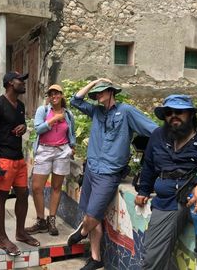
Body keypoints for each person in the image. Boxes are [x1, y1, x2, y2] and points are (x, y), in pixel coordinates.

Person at [68, 78, 157, 270]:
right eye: (96, 93)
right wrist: (95, 82)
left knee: (91, 216)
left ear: (111, 92)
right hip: (91, 168)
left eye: (101, 92)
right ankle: (95, 257)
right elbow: (75, 100)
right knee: (93, 216)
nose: (98, 96)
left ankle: (82, 231)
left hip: (109, 173)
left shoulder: (126, 111)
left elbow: (153, 130)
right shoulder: (96, 111)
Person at [135, 94, 197, 270]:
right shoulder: (158, 135)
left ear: (191, 114)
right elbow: (149, 165)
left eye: (179, 111)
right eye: (168, 112)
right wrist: (143, 190)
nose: (173, 116)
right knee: (151, 261)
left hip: (194, 196)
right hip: (166, 200)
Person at [0, 71, 40, 256]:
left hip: (18, 158)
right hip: (3, 159)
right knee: (0, 196)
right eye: (20, 80)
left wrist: (23, 127)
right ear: (9, 83)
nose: (23, 83)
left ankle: (20, 232)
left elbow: (20, 126)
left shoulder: (21, 105)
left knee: (23, 194)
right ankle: (2, 238)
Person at [26, 84, 76, 236]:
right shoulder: (44, 110)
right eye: (51, 94)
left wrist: (72, 147)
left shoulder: (68, 114)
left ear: (61, 95)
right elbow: (38, 129)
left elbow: (71, 132)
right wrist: (54, 119)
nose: (54, 96)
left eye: (57, 93)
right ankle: (41, 220)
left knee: (56, 187)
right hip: (45, 150)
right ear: (48, 96)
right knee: (36, 187)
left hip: (62, 151)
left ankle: (51, 219)